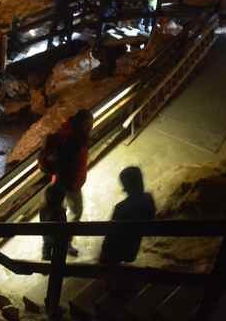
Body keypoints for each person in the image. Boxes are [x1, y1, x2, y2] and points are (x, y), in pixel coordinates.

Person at [50, 108, 94, 257]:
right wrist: (75, 183)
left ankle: (57, 238)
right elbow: (71, 165)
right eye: (89, 123)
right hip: (70, 184)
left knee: (61, 211)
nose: (91, 126)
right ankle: (65, 243)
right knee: (76, 212)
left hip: (59, 181)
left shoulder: (66, 133)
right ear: (83, 124)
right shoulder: (75, 140)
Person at [99, 166, 156, 265]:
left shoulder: (121, 208)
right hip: (132, 250)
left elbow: (109, 240)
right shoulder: (148, 199)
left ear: (126, 185)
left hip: (118, 252)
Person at [40, 185, 67, 260]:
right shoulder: (60, 210)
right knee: (59, 258)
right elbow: (64, 225)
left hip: (47, 238)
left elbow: (42, 223)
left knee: (46, 254)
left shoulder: (42, 209)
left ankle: (46, 266)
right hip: (59, 239)